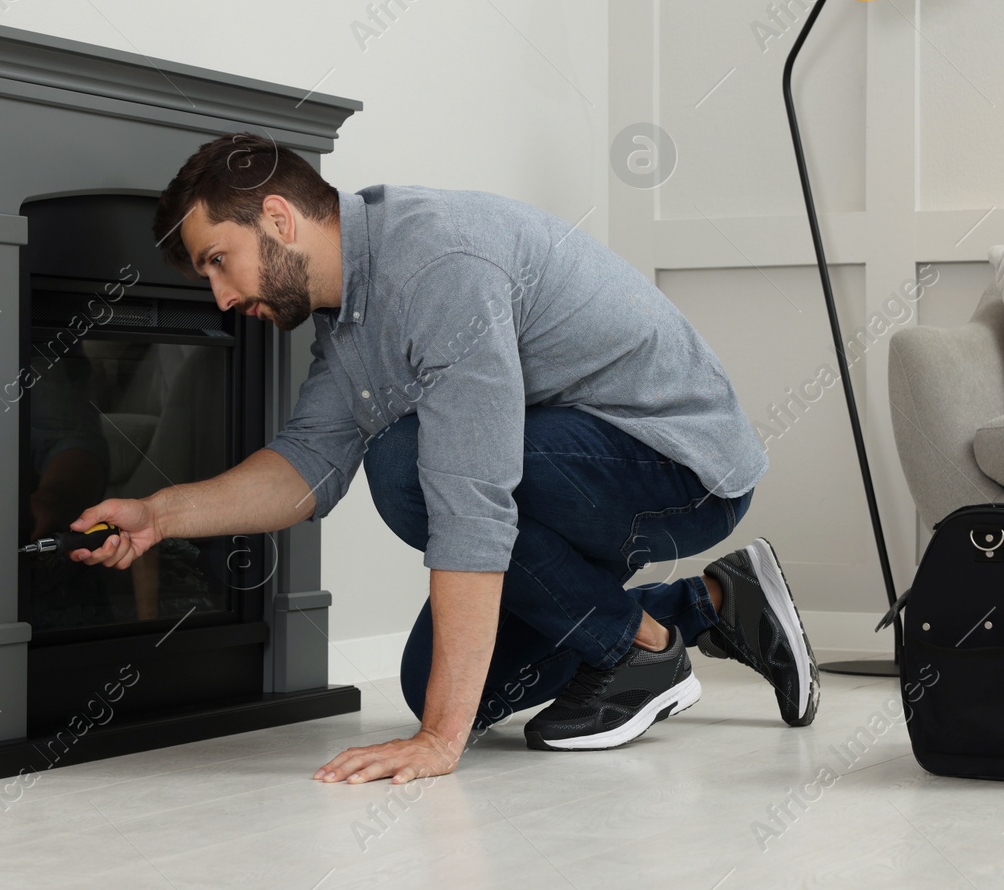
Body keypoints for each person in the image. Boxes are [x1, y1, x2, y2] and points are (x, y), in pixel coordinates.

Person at [69, 131, 819, 786]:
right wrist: (158, 515)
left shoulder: (433, 263)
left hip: (678, 466)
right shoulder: (348, 314)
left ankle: (641, 653)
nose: (221, 296)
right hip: (589, 466)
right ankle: (710, 606)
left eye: (217, 261)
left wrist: (438, 739)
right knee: (443, 680)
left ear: (276, 217)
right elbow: (305, 465)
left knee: (405, 465)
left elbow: (473, 497)